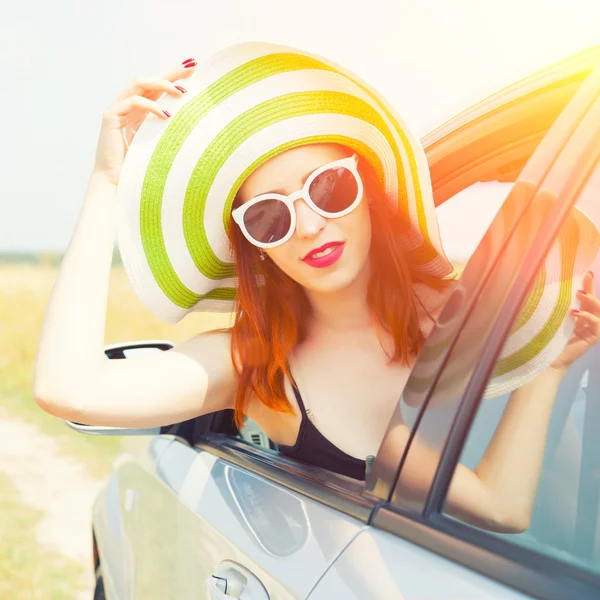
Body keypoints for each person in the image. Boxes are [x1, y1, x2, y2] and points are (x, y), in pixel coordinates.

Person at [33, 42, 600, 534]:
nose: (307, 226)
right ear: (254, 243)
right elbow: (72, 390)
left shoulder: (478, 317)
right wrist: (106, 180)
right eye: (268, 217)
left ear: (369, 189)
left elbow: (532, 515)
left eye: (328, 188)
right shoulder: (257, 362)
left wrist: (550, 364)